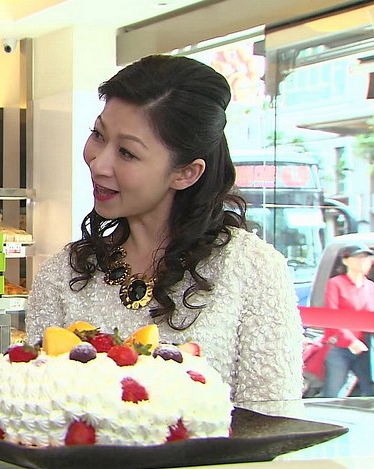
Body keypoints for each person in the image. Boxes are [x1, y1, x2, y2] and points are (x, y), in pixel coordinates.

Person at [26, 55, 303, 405]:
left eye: (127, 153)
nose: (98, 164)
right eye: (98, 135)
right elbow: (36, 402)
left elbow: (272, 418)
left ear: (185, 173)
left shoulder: (252, 269)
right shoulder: (63, 273)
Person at [320, 243, 374, 397]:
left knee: (370, 390)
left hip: (365, 347)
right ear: (346, 261)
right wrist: (351, 341)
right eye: (358, 258)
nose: (363, 262)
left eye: (366, 258)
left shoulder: (370, 287)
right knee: (333, 391)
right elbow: (332, 317)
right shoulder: (335, 284)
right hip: (340, 346)